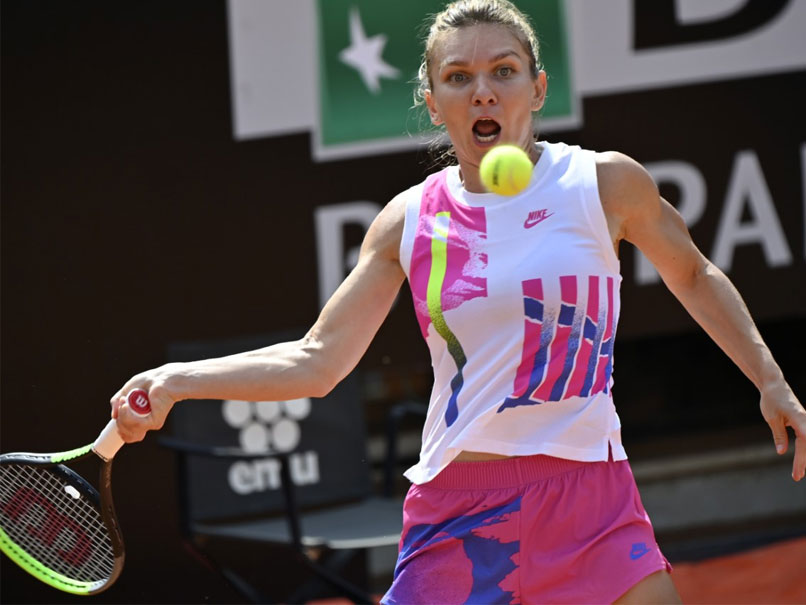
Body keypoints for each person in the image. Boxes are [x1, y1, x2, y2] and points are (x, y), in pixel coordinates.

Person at [111, 1, 805, 602]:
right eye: (459, 78)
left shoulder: (604, 184)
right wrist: (175, 381)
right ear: (432, 101)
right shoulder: (407, 222)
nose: (483, 93)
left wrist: (769, 379)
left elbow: (694, 274)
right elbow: (317, 360)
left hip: (593, 501)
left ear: (537, 88)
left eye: (504, 72)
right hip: (461, 513)